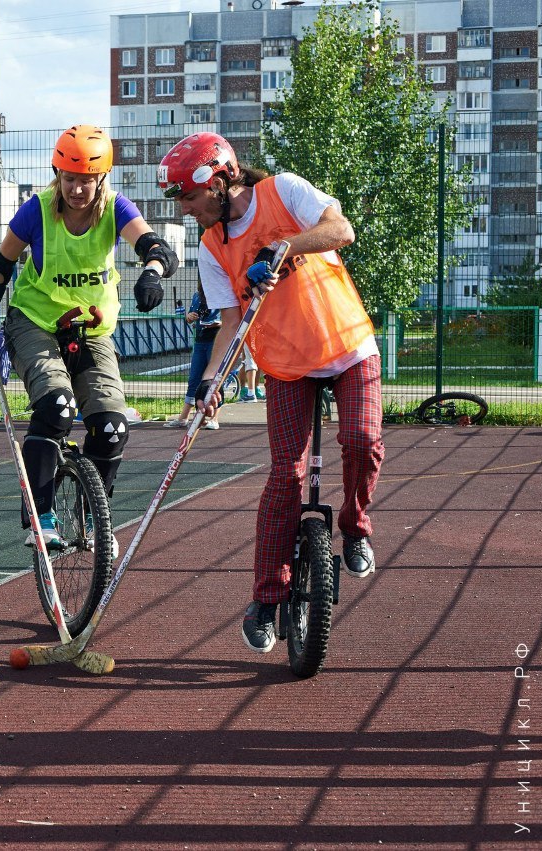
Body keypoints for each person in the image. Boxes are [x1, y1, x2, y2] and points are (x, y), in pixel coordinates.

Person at [157, 131, 384, 655]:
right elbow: (230, 321)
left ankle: (355, 525)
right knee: (287, 474)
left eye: (189, 198)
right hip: (283, 364)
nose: (187, 210)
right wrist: (215, 381)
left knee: (362, 438)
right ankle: (265, 599)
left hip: (347, 344)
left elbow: (341, 229)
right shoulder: (213, 246)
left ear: (218, 181)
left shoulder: (283, 191)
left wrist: (282, 247)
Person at [0, 124, 178, 548]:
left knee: (112, 427)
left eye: (86, 181)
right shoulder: (37, 210)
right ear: (57, 175)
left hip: (93, 330)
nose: (77, 190)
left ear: (101, 179)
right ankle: (40, 516)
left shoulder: (116, 208)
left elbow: (154, 246)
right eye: (69, 179)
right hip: (35, 322)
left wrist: (152, 273)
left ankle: (94, 513)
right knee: (57, 408)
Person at [165, 283, 221, 431]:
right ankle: (184, 417)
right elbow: (189, 318)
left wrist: (218, 323)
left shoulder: (222, 292)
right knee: (194, 378)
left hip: (216, 340)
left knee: (215, 378)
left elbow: (231, 320)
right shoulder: (197, 296)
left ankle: (214, 418)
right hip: (199, 341)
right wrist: (189, 317)